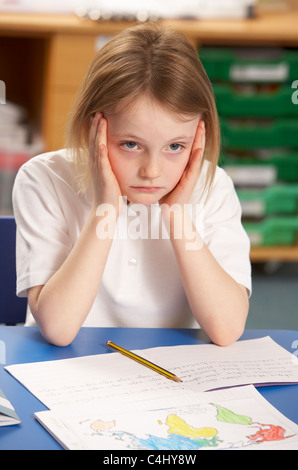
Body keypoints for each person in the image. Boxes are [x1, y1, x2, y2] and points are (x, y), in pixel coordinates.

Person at [13, 24, 251, 347]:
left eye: (175, 147)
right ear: (91, 129)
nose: (152, 171)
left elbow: (227, 329)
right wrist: (105, 210)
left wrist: (178, 216)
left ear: (199, 136)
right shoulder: (43, 179)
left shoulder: (215, 188)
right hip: (69, 372)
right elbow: (58, 327)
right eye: (130, 145)